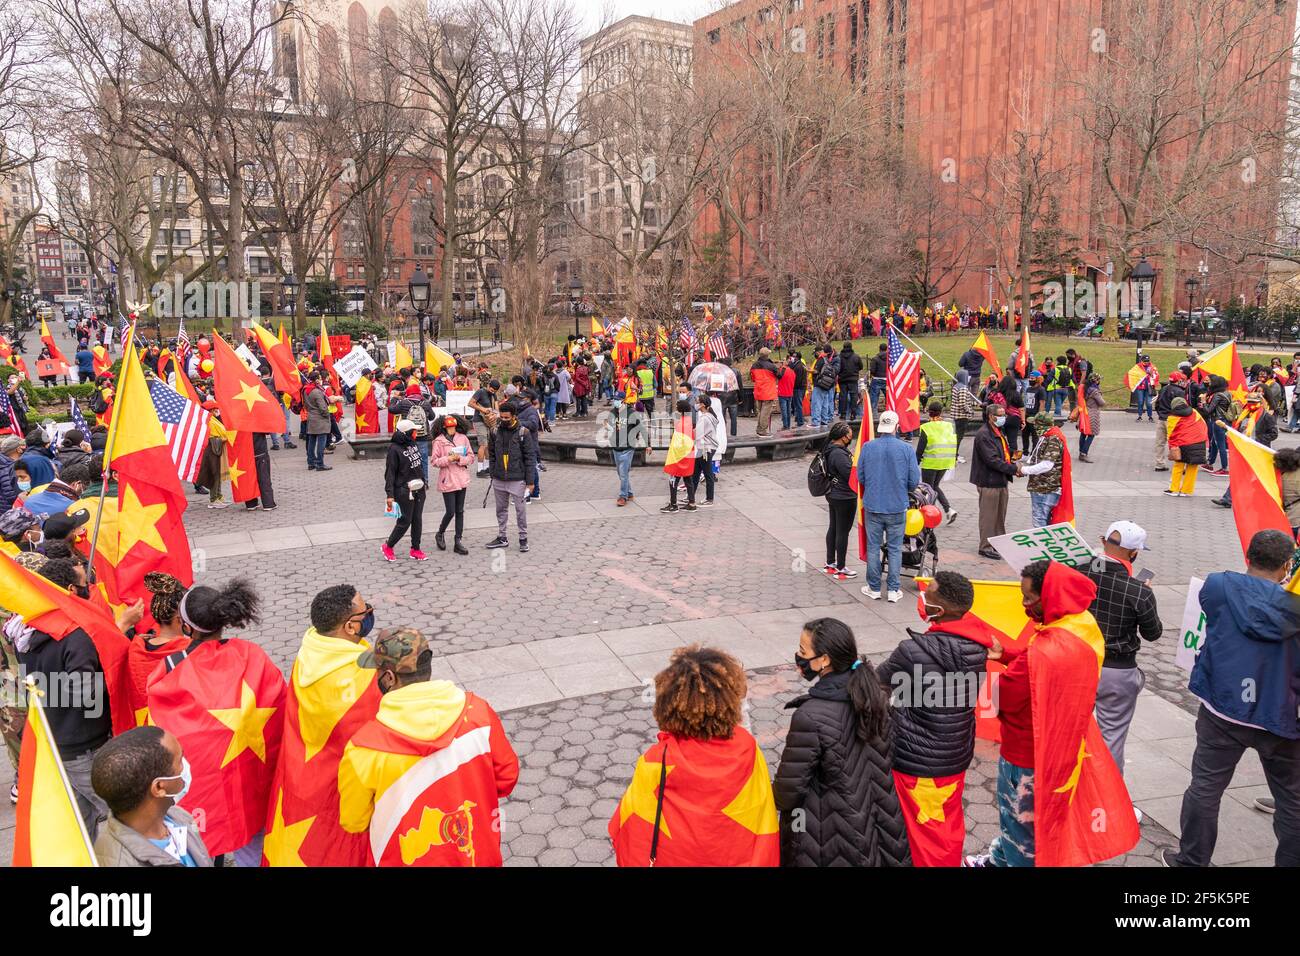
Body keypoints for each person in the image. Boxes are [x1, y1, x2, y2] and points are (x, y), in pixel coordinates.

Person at [967, 560, 1139, 867]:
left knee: (1019, 827)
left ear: (1049, 598)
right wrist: (1007, 654)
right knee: (1036, 821)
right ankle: (999, 859)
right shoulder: (1080, 627)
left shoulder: (1041, 652)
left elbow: (1000, 697)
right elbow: (1040, 665)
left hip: (1026, 754)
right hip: (1065, 744)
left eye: (1029, 598)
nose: (1024, 603)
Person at [1163, 529, 1300, 867]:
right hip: (1280, 714)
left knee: (1205, 788)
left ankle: (1192, 860)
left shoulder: (1219, 586)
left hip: (1223, 708)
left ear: (1248, 557)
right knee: (1293, 800)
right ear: (1287, 565)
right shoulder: (1295, 608)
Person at [338, 628, 519, 866]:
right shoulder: (479, 715)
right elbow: (506, 777)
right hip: (476, 855)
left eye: (378, 671)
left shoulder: (364, 746)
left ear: (389, 678)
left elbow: (354, 820)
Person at [144, 579, 285, 867]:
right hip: (254, 774)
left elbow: (158, 726)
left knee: (203, 845)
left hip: (204, 789)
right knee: (254, 841)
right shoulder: (251, 654)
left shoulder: (170, 668)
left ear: (187, 626)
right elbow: (279, 704)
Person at [608, 645, 778, 866]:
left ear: (669, 703)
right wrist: (741, 701)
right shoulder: (746, 750)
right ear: (728, 703)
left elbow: (630, 823)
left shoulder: (657, 759)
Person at [877, 571, 993, 866]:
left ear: (938, 611)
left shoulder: (912, 651)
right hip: (955, 755)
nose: (922, 597)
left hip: (915, 761)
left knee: (922, 835)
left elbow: (876, 683)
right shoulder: (978, 648)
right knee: (946, 826)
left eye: (928, 594)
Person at [775, 618, 912, 866]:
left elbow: (787, 793)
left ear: (824, 660)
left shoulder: (810, 716)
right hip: (880, 816)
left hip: (829, 830)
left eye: (803, 651)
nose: (798, 656)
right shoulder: (874, 693)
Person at [263, 584, 382, 867]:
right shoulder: (363, 679)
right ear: (351, 627)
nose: (370, 614)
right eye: (366, 610)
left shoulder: (309, 653)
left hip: (301, 779)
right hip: (339, 793)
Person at [1083, 521, 1162, 778]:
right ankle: (1106, 802)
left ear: (1102, 541)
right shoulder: (1138, 590)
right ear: (1134, 553)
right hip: (1116, 669)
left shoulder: (1078, 571)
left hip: (1078, 661)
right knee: (1111, 737)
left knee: (1070, 729)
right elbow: (1153, 633)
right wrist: (1145, 596)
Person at [90, 727, 213, 867]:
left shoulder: (179, 817)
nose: (186, 765)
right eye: (180, 761)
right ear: (159, 787)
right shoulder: (120, 863)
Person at [857, 410, 920, 602]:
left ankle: (874, 587)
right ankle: (893, 589)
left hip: (873, 505)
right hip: (897, 505)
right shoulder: (907, 449)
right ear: (897, 427)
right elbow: (913, 481)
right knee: (894, 548)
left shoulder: (868, 447)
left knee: (874, 547)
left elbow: (860, 476)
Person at [485, 400, 536, 552]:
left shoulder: (523, 432)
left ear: (514, 416)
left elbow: (530, 458)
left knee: (520, 510)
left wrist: (530, 482)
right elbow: (492, 453)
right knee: (501, 510)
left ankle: (523, 538)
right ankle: (502, 537)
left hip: (517, 479)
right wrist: (493, 472)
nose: (504, 420)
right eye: (502, 417)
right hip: (499, 478)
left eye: (507, 418)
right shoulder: (494, 431)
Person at [971, 403, 1020, 559]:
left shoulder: (997, 431)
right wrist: (1014, 469)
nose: (1003, 418)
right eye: (1000, 415)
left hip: (1000, 480)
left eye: (1004, 414)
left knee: (1000, 515)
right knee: (989, 516)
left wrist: (1012, 463)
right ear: (991, 417)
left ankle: (998, 542)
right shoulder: (984, 434)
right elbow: (992, 460)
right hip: (989, 481)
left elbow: (1002, 455)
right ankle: (985, 546)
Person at [382, 419, 427, 561]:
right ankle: (388, 546)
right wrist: (390, 495)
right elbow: (390, 473)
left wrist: (424, 481)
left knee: (417, 520)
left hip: (419, 489)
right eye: (414, 431)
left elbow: (418, 464)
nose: (416, 433)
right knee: (405, 521)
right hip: (403, 491)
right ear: (407, 433)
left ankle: (416, 549)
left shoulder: (412, 444)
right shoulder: (394, 449)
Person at [431, 414, 472, 555]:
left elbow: (471, 457)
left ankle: (458, 541)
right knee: (450, 511)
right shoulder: (438, 441)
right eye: (449, 427)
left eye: (453, 427)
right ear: (444, 427)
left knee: (460, 511)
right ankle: (440, 533)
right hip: (447, 479)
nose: (452, 429)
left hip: (461, 478)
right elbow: (434, 461)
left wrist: (460, 459)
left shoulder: (463, 438)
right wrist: (448, 459)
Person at [822, 422, 858, 579]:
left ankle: (830, 563)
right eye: (850, 434)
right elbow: (850, 475)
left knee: (834, 528)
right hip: (844, 496)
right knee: (842, 531)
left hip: (834, 494)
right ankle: (841, 567)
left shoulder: (830, 449)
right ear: (843, 437)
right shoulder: (839, 454)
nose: (851, 436)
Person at [1020, 411, 1066, 527]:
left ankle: (1042, 544)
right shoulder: (1046, 436)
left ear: (1041, 425)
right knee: (1043, 518)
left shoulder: (1052, 439)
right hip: (1041, 486)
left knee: (1039, 519)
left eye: (1035, 424)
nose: (1034, 427)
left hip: (1045, 487)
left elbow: (1047, 465)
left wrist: (1024, 470)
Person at [915, 399, 958, 523]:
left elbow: (920, 450)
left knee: (928, 489)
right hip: (945, 462)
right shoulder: (949, 425)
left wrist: (915, 463)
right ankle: (948, 510)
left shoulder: (926, 427)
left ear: (929, 412)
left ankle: (930, 514)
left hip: (931, 463)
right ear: (941, 412)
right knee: (935, 486)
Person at [1163, 396, 1207, 498]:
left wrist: (1172, 448)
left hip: (1183, 444)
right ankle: (1186, 490)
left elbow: (1171, 435)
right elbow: (1204, 425)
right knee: (1192, 467)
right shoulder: (1195, 412)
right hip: (1198, 442)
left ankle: (1174, 489)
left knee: (1178, 466)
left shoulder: (1172, 417)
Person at [608, 385, 644, 506]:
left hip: (628, 447)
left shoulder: (631, 413)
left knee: (623, 473)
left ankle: (622, 496)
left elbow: (640, 427)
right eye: (614, 399)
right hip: (616, 446)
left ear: (623, 401)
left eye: (618, 400)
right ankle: (629, 492)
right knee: (620, 472)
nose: (615, 402)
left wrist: (644, 442)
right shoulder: (613, 412)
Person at [1153, 370, 1188, 471]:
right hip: (1173, 419)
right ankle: (1181, 465)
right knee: (1177, 442)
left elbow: (1157, 404)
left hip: (1162, 418)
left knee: (1160, 442)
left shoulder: (1163, 389)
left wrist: (1161, 414)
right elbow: (1181, 406)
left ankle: (1159, 463)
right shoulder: (1180, 392)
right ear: (1178, 381)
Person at [691, 392, 718, 506]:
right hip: (705, 448)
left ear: (702, 405)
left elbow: (697, 435)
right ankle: (690, 496)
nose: (695, 404)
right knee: (696, 474)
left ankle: (709, 498)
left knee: (707, 474)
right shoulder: (710, 416)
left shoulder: (705, 418)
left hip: (705, 449)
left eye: (697, 402)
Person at [303, 371, 332, 471]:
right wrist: (327, 415)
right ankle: (320, 463)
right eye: (319, 378)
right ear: (316, 379)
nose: (321, 380)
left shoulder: (305, 390)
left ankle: (311, 462)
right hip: (320, 419)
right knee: (321, 443)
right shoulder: (316, 391)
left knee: (311, 442)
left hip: (311, 417)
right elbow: (323, 408)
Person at [750, 347, 780, 437]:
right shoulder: (771, 366)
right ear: (767, 355)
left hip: (758, 391)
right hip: (768, 392)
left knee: (760, 411)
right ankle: (762, 430)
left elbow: (752, 378)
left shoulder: (754, 365)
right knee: (765, 412)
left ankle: (759, 429)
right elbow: (780, 376)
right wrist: (781, 368)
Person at [1076, 372, 1105, 462]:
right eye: (1098, 379)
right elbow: (1102, 403)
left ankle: (1081, 452)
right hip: (1092, 414)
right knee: (1091, 434)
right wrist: (1100, 394)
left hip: (1084, 413)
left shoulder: (1085, 388)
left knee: (1084, 433)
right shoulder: (1095, 391)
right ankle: (1084, 454)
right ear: (1095, 381)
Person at [810, 344, 839, 427]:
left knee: (816, 403)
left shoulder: (820, 359)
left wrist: (808, 370)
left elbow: (816, 371)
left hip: (819, 384)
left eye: (815, 353)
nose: (815, 355)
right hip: (826, 385)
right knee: (824, 404)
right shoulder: (827, 359)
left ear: (819, 352)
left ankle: (815, 422)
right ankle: (824, 421)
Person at [837, 342, 863, 420]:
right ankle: (853, 413)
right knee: (853, 396)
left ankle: (843, 414)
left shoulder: (839, 357)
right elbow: (861, 367)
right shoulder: (856, 357)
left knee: (843, 396)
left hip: (842, 379)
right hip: (853, 379)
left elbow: (838, 368)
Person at [868, 343, 889, 414]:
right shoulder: (890, 358)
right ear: (886, 349)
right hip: (886, 379)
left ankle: (874, 414)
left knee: (874, 397)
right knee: (888, 397)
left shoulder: (875, 358)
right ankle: (889, 412)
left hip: (876, 379)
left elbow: (872, 370)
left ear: (879, 349)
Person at [787, 350, 807, 426]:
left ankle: (800, 421)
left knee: (798, 405)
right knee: (798, 404)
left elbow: (797, 379)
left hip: (798, 388)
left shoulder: (798, 367)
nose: (792, 358)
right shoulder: (801, 364)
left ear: (797, 358)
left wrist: (793, 386)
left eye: (794, 356)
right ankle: (799, 419)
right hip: (802, 387)